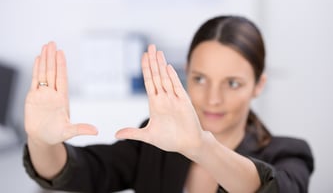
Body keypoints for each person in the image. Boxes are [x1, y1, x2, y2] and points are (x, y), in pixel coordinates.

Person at [23, 15, 314, 193]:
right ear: (187, 72)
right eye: (200, 79)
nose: (213, 98)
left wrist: (202, 147)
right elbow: (80, 172)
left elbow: (280, 189)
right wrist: (41, 142)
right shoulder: (155, 145)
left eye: (232, 83)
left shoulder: (288, 153)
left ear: (258, 85)